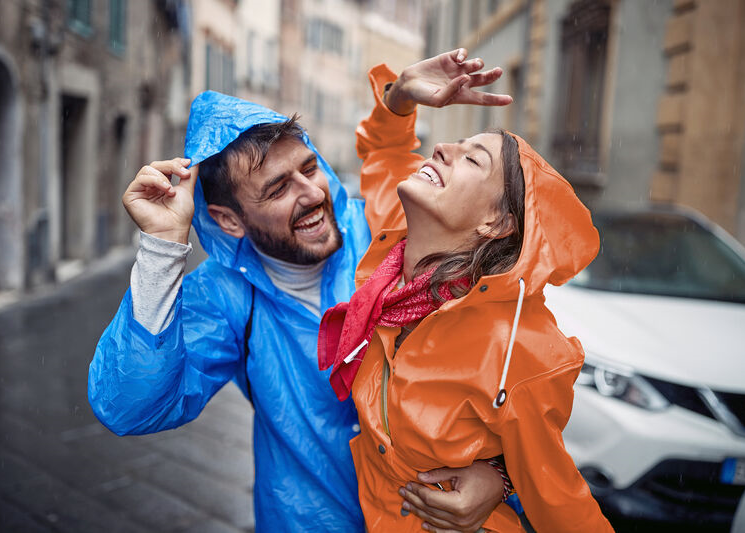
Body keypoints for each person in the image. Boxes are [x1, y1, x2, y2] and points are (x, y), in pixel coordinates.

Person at [88, 82, 511, 531]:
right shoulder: (224, 296)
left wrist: (501, 476)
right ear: (229, 221)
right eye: (278, 190)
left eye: (310, 168)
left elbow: (504, 376)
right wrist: (161, 247)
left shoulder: (387, 232)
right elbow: (130, 407)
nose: (311, 193)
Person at [318, 49, 615, 532]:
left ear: (496, 221)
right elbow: (385, 152)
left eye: (471, 158)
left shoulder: (521, 347)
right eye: (453, 142)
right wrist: (402, 94)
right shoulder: (396, 242)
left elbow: (562, 505)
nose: (441, 150)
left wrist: (503, 475)